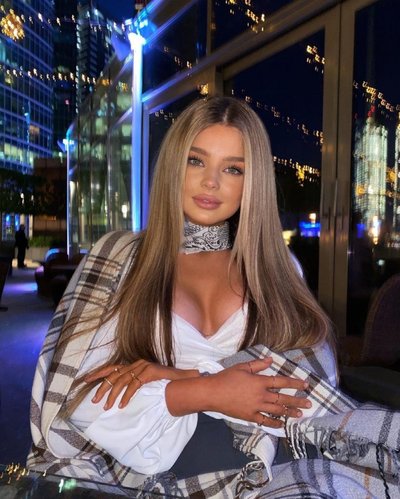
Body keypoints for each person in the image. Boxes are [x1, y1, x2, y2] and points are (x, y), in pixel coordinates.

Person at [28, 97, 400, 497]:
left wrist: (173, 377)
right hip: (156, 482)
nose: (211, 182)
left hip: (281, 475)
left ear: (252, 181)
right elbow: (76, 403)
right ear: (173, 164)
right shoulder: (119, 258)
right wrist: (208, 391)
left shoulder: (276, 267)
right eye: (196, 161)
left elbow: (307, 391)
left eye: (233, 168)